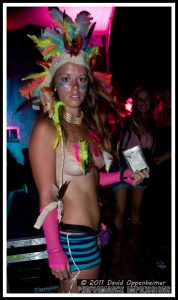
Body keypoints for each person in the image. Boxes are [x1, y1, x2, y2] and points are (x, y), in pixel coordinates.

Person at [19, 8, 149, 293]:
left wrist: (123, 176)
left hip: (93, 234)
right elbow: (47, 194)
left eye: (82, 79)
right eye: (66, 79)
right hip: (70, 239)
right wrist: (54, 249)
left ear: (90, 84)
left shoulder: (84, 129)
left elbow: (88, 179)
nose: (75, 87)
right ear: (53, 84)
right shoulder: (46, 130)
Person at [111, 85, 157, 258]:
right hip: (123, 165)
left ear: (151, 102)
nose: (143, 102)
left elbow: (153, 151)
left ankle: (133, 246)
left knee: (137, 210)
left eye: (147, 99)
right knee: (120, 210)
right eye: (140, 99)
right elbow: (113, 143)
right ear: (135, 102)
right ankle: (117, 248)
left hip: (141, 167)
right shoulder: (125, 122)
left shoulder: (155, 124)